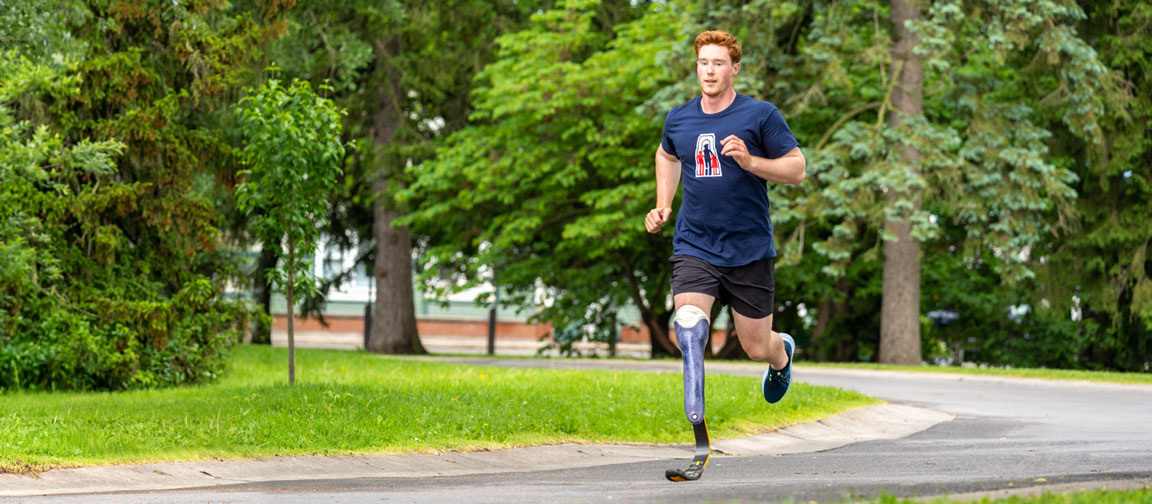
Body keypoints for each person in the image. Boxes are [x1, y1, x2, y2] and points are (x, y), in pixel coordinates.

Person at [645, 30, 806, 425]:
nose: (710, 71)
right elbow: (667, 156)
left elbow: (797, 169)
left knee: (755, 347)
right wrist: (663, 204)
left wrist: (752, 162)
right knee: (688, 325)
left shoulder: (760, 115)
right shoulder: (679, 118)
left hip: (748, 249)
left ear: (734, 68)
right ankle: (696, 416)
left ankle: (781, 353)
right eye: (703, 63)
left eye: (718, 63)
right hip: (695, 243)